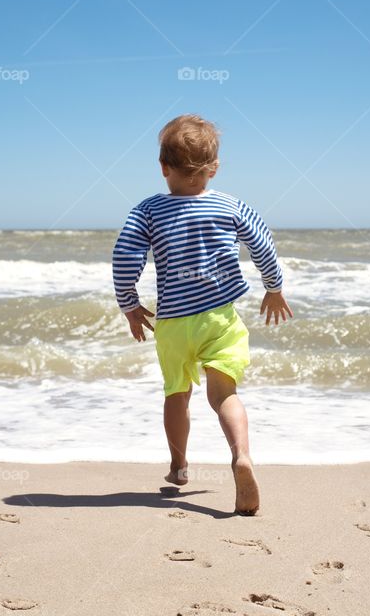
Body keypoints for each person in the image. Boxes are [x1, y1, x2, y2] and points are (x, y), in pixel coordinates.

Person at [111, 114, 292, 515]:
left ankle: (178, 465)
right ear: (214, 168)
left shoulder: (148, 211)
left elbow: (125, 257)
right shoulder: (230, 205)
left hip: (174, 322)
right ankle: (241, 455)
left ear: (163, 168)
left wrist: (129, 304)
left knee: (177, 393)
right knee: (223, 394)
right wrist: (274, 287)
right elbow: (262, 244)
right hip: (220, 319)